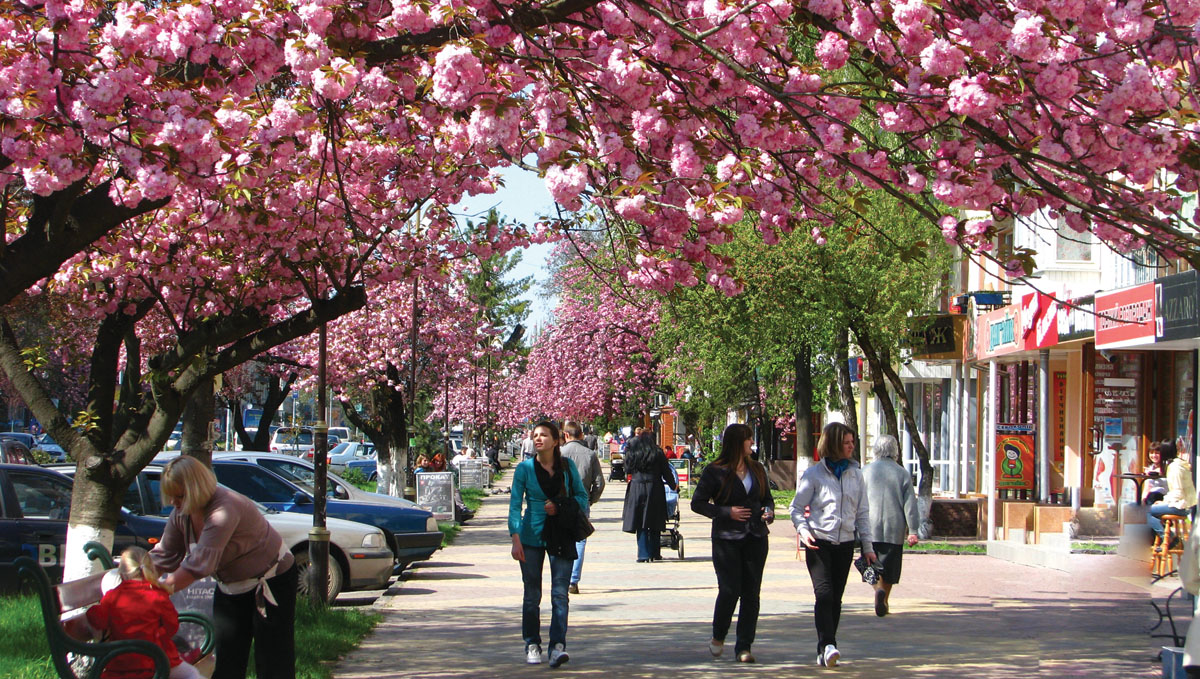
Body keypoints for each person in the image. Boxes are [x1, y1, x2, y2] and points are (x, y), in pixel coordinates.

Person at [152, 456, 297, 679]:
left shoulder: (225, 509)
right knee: (228, 659)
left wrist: (157, 591)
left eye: (180, 496)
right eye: (171, 496)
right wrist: (134, 578)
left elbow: (198, 565)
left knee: (272, 659)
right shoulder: (180, 515)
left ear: (196, 489)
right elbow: (163, 556)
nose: (174, 502)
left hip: (271, 580)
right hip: (230, 586)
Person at [790, 422, 875, 669]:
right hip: (819, 542)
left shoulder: (856, 474)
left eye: (852, 442)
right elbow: (796, 508)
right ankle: (829, 644)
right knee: (824, 593)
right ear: (835, 444)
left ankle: (824, 647)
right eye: (847, 442)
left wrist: (867, 547)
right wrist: (803, 530)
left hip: (845, 543)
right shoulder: (815, 474)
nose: (851, 447)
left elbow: (863, 514)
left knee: (836, 598)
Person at [691, 423, 775, 664]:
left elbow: (766, 498)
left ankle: (744, 646)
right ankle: (719, 635)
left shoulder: (757, 468)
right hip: (726, 539)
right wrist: (726, 512)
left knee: (751, 593)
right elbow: (698, 503)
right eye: (749, 439)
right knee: (730, 590)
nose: (752, 443)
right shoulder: (715, 470)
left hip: (756, 537)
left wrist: (768, 511)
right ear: (738, 442)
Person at [508, 420, 589, 668]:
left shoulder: (567, 467)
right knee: (532, 595)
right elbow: (514, 505)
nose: (538, 439)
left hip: (560, 534)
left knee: (560, 594)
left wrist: (562, 507)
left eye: (543, 435)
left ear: (556, 440)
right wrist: (515, 537)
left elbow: (582, 497)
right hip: (530, 535)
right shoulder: (524, 469)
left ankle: (557, 646)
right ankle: (532, 643)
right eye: (535, 435)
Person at [87, 546, 201, 679]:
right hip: (158, 663)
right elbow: (172, 627)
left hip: (120, 667)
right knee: (192, 674)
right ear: (150, 568)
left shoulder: (112, 597)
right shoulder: (158, 595)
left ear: (121, 573)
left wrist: (94, 613)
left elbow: (98, 620)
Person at [861, 435, 919, 618]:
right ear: (896, 450)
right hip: (894, 528)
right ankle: (884, 598)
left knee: (869, 563)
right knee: (890, 568)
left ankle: (877, 590)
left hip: (869, 527)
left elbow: (857, 500)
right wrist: (914, 530)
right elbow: (910, 505)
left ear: (875, 449)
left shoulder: (866, 471)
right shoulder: (902, 473)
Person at [561, 421, 606, 594]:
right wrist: (590, 499)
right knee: (580, 539)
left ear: (566, 435)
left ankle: (562, 577)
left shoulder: (559, 453)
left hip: (562, 502)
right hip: (582, 502)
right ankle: (573, 580)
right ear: (581, 435)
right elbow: (599, 482)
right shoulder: (590, 454)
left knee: (562, 538)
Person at [622, 434, 678, 562]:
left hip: (637, 487)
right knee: (655, 520)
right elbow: (666, 472)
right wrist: (673, 486)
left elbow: (627, 469)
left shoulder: (633, 453)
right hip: (655, 487)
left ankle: (643, 554)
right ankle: (654, 552)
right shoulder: (658, 453)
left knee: (640, 521)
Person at [1149, 440, 1197, 539]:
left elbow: (1178, 493)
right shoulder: (1178, 465)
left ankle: (1169, 538)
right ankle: (1167, 537)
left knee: (1142, 512)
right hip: (1184, 504)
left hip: (1180, 506)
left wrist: (1163, 502)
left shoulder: (1174, 468)